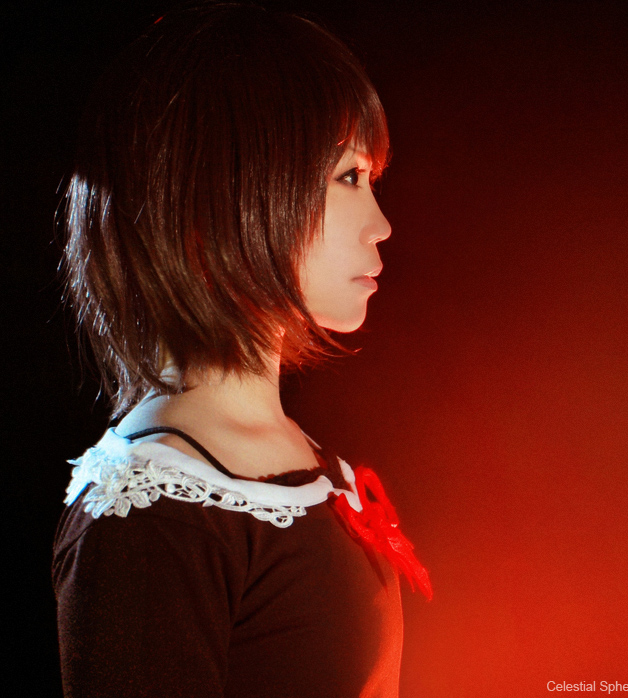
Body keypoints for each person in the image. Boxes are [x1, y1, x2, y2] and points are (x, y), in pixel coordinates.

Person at [53, 5, 430, 696]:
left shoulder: (309, 465)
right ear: (234, 189)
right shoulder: (151, 518)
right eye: (349, 176)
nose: (380, 223)